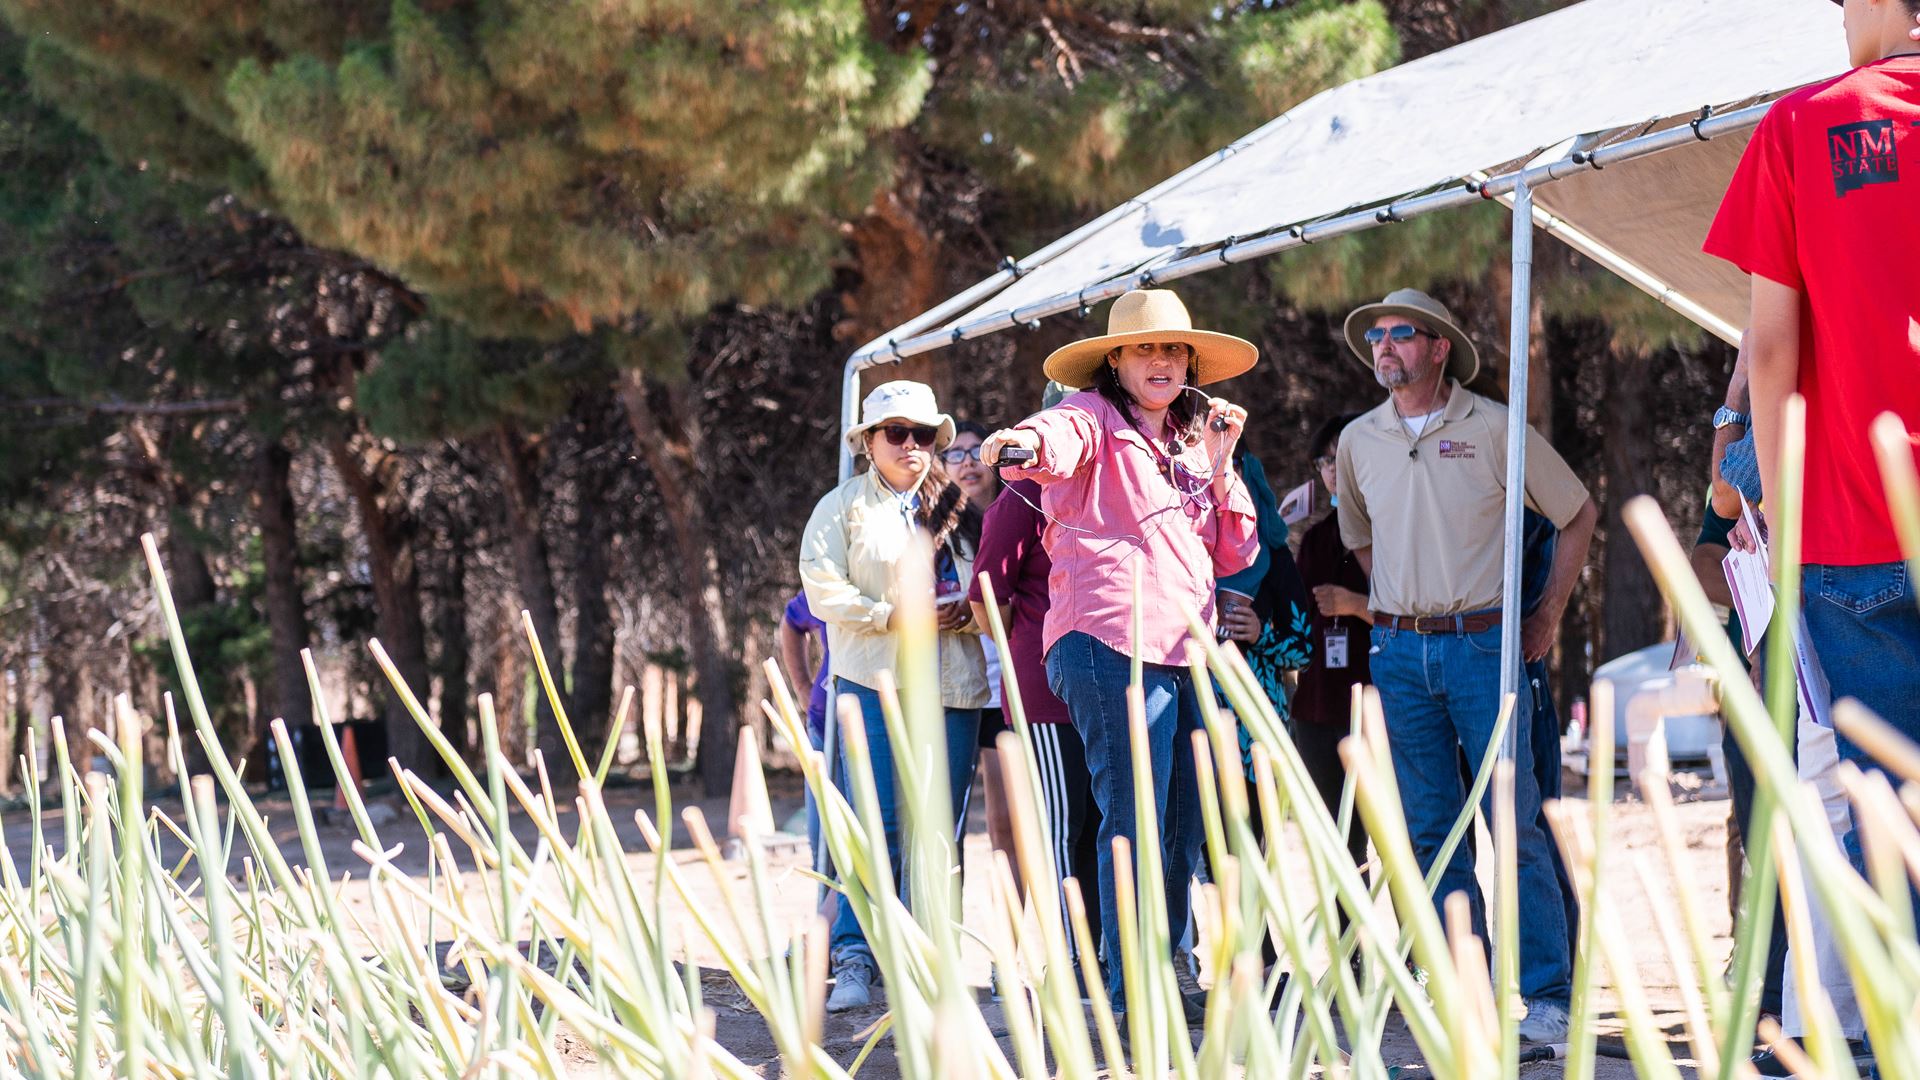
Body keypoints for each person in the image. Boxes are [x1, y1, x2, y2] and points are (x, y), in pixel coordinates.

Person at [983, 288, 1258, 1022]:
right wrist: (1020, 443)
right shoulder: (1092, 419)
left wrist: (1224, 462)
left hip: (1184, 649)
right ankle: (1127, 993)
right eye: (1144, 348)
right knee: (1131, 815)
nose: (1160, 359)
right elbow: (1051, 438)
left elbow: (1235, 551)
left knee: (1184, 820)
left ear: (1190, 361)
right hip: (1107, 639)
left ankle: (1159, 972)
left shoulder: (1192, 444)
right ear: (1115, 361)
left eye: (1172, 348)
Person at [1333, 288, 1597, 1043]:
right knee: (1428, 833)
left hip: (1487, 646)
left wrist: (1545, 614)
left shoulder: (1493, 426)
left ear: (1439, 347)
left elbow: (1577, 512)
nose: (1384, 346)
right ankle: (1463, 994)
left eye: (1401, 335)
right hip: (1399, 655)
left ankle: (1546, 1001)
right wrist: (1403, 606)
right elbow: (1360, 536)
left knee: (1512, 823)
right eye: (1376, 335)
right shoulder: (1359, 440)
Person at [1705, 0, 1920, 907]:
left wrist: (1780, 523)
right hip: (1854, 533)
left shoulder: (1804, 123)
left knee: (1888, 816)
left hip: (1851, 531)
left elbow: (1772, 350)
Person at [799, 380, 990, 1012]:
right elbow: (823, 590)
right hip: (872, 683)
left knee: (938, 830)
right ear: (869, 443)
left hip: (951, 688)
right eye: (895, 433)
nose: (911, 445)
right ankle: (856, 959)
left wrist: (973, 613)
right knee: (870, 825)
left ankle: (929, 959)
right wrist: (892, 614)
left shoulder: (963, 510)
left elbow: (996, 590)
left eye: (922, 435)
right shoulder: (842, 507)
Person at [968, 382, 1103, 981]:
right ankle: (1071, 960)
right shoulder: (1024, 491)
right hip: (1048, 694)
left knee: (1110, 821)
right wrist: (1032, 655)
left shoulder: (1114, 486)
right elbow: (985, 597)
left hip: (1114, 679)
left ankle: (1111, 957)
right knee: (1066, 824)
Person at [1296, 412, 1373, 926]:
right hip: (1320, 708)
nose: (1331, 469)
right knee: (1338, 839)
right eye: (1324, 460)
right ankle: (1352, 960)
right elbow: (1298, 623)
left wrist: (1354, 604)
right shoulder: (1316, 539)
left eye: (1340, 456)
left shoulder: (1392, 525)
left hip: (1383, 707)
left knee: (1400, 838)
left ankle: (1418, 964)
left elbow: (1414, 613)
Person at [946, 421, 1018, 877]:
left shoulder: (1016, 513)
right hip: (952, 685)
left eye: (976, 451)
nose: (968, 461)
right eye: (954, 454)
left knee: (1005, 823)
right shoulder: (933, 528)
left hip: (1005, 688)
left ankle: (1015, 945)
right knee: (943, 821)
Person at [779, 590, 836, 917]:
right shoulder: (827, 580)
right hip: (823, 728)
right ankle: (826, 943)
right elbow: (792, 620)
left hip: (874, 729)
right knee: (823, 846)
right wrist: (802, 687)